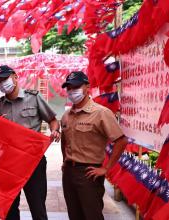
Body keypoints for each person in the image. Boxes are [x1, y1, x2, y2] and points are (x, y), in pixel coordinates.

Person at [0, 65, 60, 220]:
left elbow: (52, 120)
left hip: (33, 162)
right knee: (9, 210)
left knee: (38, 209)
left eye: (5, 79)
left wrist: (55, 130)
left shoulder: (34, 97)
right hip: (8, 164)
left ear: (15, 77)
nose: (3, 83)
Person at [60, 71, 127, 220]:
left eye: (76, 86)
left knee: (92, 215)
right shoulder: (66, 115)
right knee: (74, 214)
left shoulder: (101, 113)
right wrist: (65, 160)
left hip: (89, 172)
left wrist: (106, 168)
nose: (72, 91)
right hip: (69, 172)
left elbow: (121, 141)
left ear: (87, 87)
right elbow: (64, 140)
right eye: (69, 88)